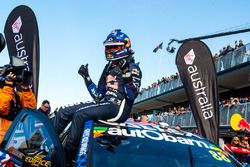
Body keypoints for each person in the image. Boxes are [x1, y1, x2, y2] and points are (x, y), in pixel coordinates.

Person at [53, 29, 142, 165]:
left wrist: (126, 74)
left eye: (114, 46)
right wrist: (87, 78)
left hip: (118, 107)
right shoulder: (108, 68)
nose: (110, 50)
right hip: (105, 103)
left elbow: (131, 95)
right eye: (108, 47)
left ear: (125, 46)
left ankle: (66, 158)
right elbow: (98, 96)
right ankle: (48, 146)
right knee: (63, 111)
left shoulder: (133, 67)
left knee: (80, 115)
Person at [0, 71, 36, 143]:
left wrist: (26, 89)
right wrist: (8, 86)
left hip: (15, 138)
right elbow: (2, 108)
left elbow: (30, 108)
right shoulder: (4, 92)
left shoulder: (17, 95)